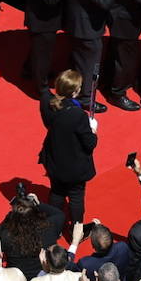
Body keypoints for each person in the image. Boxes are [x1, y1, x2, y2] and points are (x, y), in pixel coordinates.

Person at [38, 70, 98, 229]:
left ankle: (52, 226)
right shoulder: (78, 115)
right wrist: (93, 130)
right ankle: (76, 230)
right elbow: (90, 143)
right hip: (74, 165)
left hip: (54, 158)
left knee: (57, 193)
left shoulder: (46, 101)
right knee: (76, 197)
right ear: (74, 92)